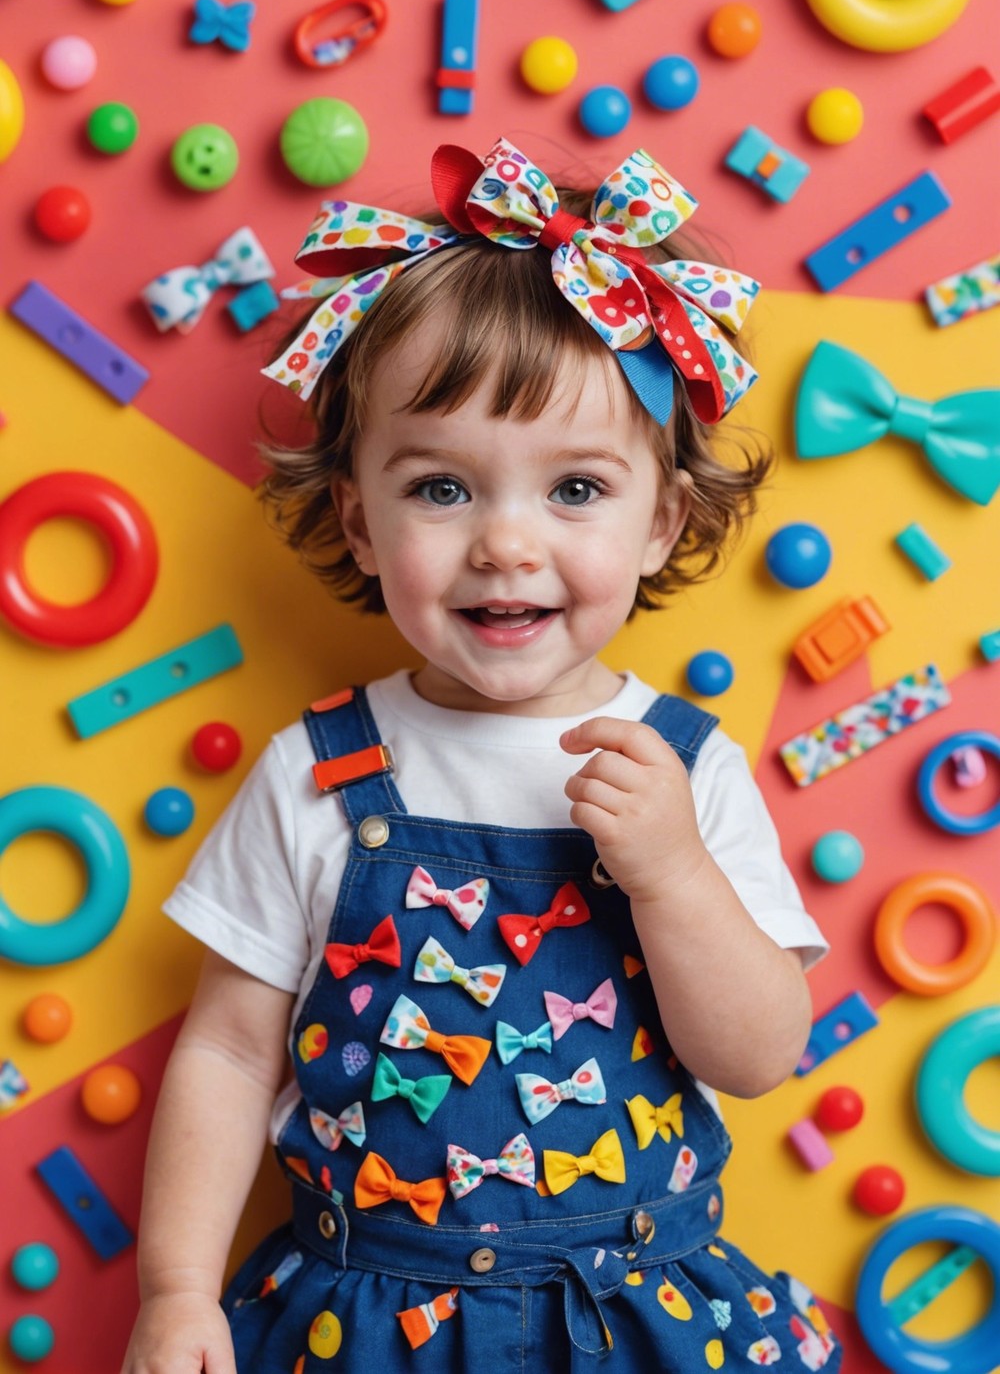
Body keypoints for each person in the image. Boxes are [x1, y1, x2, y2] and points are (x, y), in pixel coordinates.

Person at [121, 138, 840, 1373]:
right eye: (444, 490)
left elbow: (761, 1056)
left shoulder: (688, 765)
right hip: (372, 1324)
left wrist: (671, 875)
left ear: (661, 520)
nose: (506, 545)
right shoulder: (318, 774)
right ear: (359, 514)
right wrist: (177, 1290)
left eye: (573, 490)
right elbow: (232, 1051)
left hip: (632, 1319)